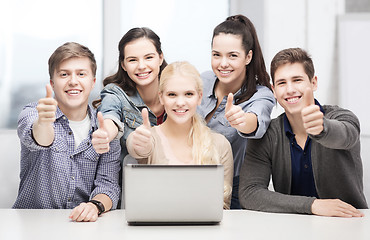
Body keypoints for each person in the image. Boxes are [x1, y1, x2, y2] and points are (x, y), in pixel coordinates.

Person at [239, 47, 368, 217]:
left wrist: (322, 128)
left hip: (348, 222)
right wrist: (312, 205)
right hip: (294, 226)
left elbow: (346, 135)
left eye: (297, 80)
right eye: (282, 83)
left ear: (313, 82)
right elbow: (250, 193)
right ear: (274, 90)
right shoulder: (267, 135)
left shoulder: (342, 117)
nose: (290, 89)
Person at [13, 42, 121, 222]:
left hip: (82, 227)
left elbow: (108, 186)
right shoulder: (33, 113)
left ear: (92, 81)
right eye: (64, 74)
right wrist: (44, 123)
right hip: (31, 226)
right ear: (52, 83)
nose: (73, 81)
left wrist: (95, 206)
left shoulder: (105, 130)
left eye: (81, 74)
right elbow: (41, 138)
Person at [127, 61, 234, 209]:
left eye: (189, 94)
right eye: (172, 95)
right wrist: (136, 142)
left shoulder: (220, 144)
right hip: (156, 230)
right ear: (161, 97)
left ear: (199, 97)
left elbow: (223, 207)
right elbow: (135, 146)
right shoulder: (148, 138)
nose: (180, 102)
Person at [197, 14, 276, 209]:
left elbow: (255, 121)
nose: (223, 63)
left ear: (248, 56)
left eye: (232, 55)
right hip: (192, 178)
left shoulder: (261, 94)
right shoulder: (203, 80)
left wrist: (242, 120)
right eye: (216, 55)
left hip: (232, 189)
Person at [92, 27, 167, 160]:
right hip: (132, 177)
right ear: (124, 65)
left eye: (148, 57)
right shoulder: (115, 93)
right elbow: (110, 117)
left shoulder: (178, 91)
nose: (141, 66)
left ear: (160, 58)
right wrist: (106, 134)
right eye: (133, 60)